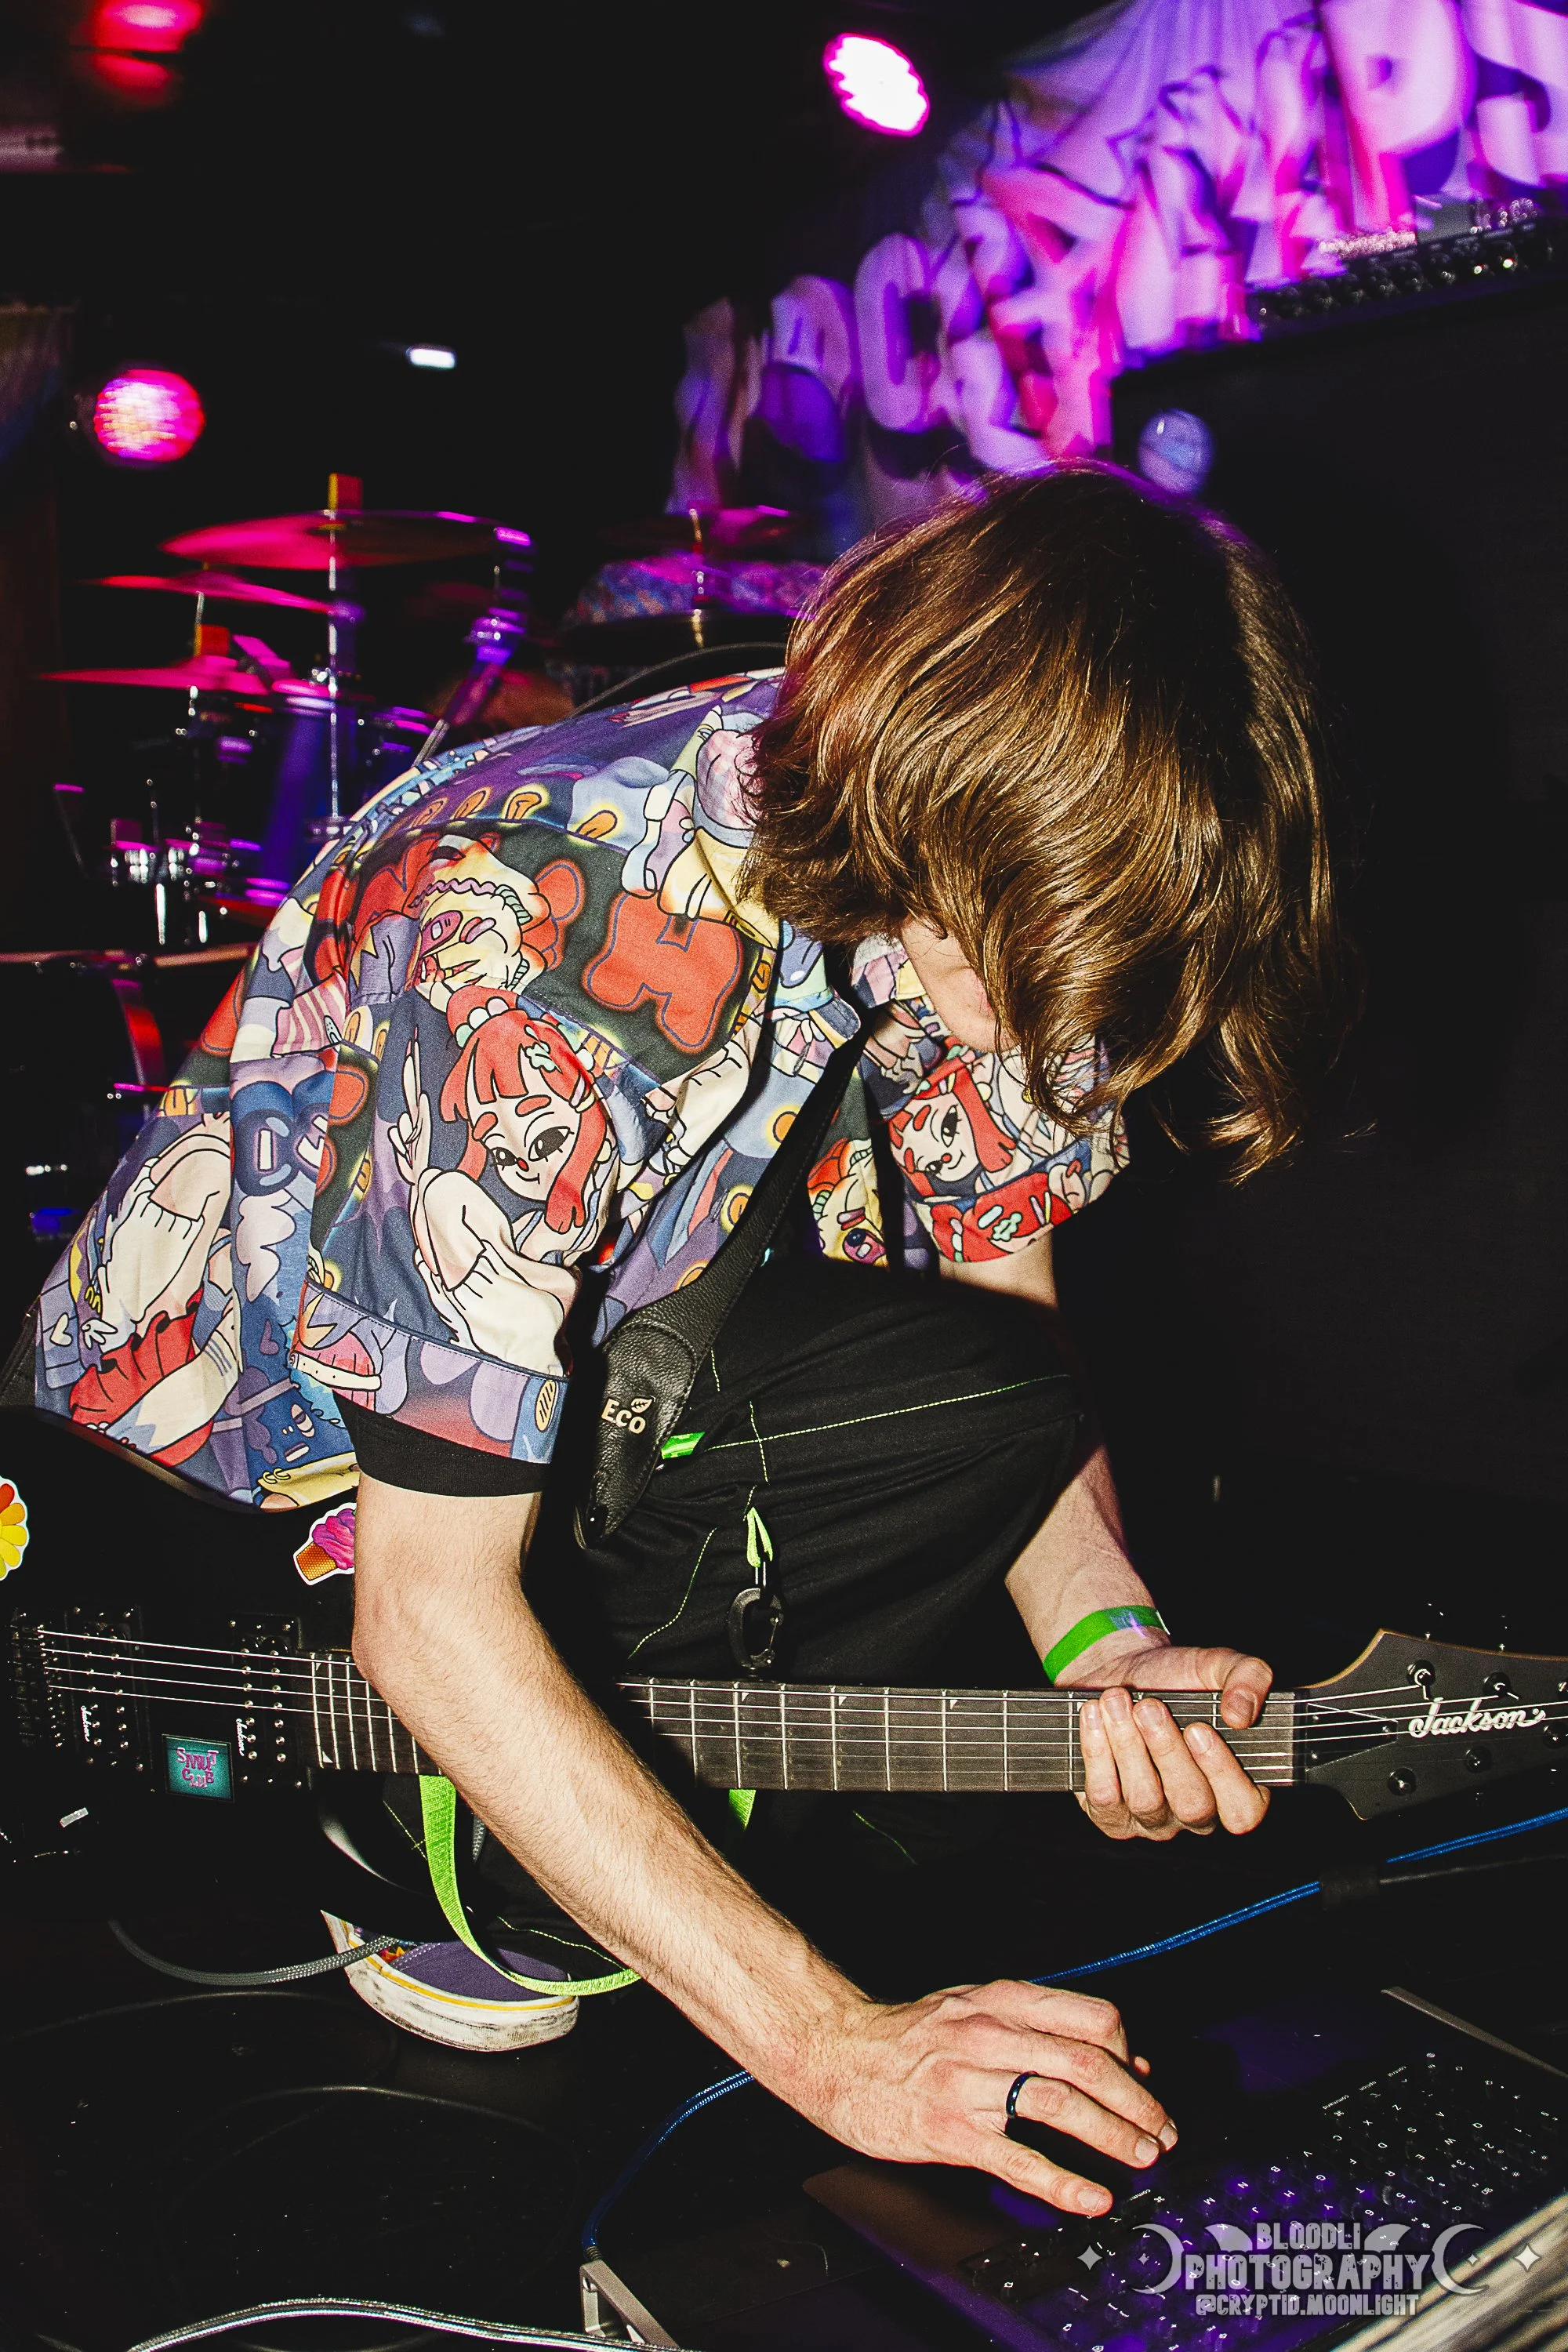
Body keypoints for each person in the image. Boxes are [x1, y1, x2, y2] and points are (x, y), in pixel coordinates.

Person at [35, 464, 1346, 2216]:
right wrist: (836, 2044)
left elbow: (1007, 1340)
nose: (1036, 1037)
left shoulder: (1003, 869)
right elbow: (430, 1609)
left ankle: (606, 1816)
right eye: (1009, 968)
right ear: (925, 809)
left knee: (975, 1392)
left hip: (615, 1389)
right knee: (560, 1668)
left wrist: (1107, 1644)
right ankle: (426, 1854)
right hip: (250, 1517)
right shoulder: (553, 926)